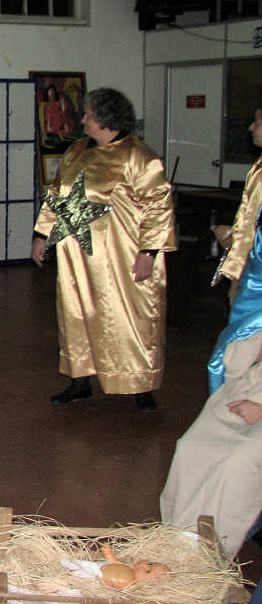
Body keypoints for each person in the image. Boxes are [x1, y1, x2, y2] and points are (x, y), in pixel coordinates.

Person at [32, 88, 176, 413]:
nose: (82, 119)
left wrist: (149, 251)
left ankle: (139, 383)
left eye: (88, 114)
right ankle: (79, 381)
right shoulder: (75, 152)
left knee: (129, 317)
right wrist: (41, 235)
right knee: (75, 314)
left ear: (106, 118)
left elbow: (158, 206)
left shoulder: (139, 157)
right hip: (75, 258)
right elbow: (56, 196)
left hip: (121, 259)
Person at [160, 210, 262, 556]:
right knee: (192, 449)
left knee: (236, 464)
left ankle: (211, 551)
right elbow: (235, 357)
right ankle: (176, 540)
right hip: (247, 387)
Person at [212, 105, 262, 302]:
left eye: (257, 122)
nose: (251, 127)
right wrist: (233, 236)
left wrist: (238, 250)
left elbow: (253, 222)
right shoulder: (258, 167)